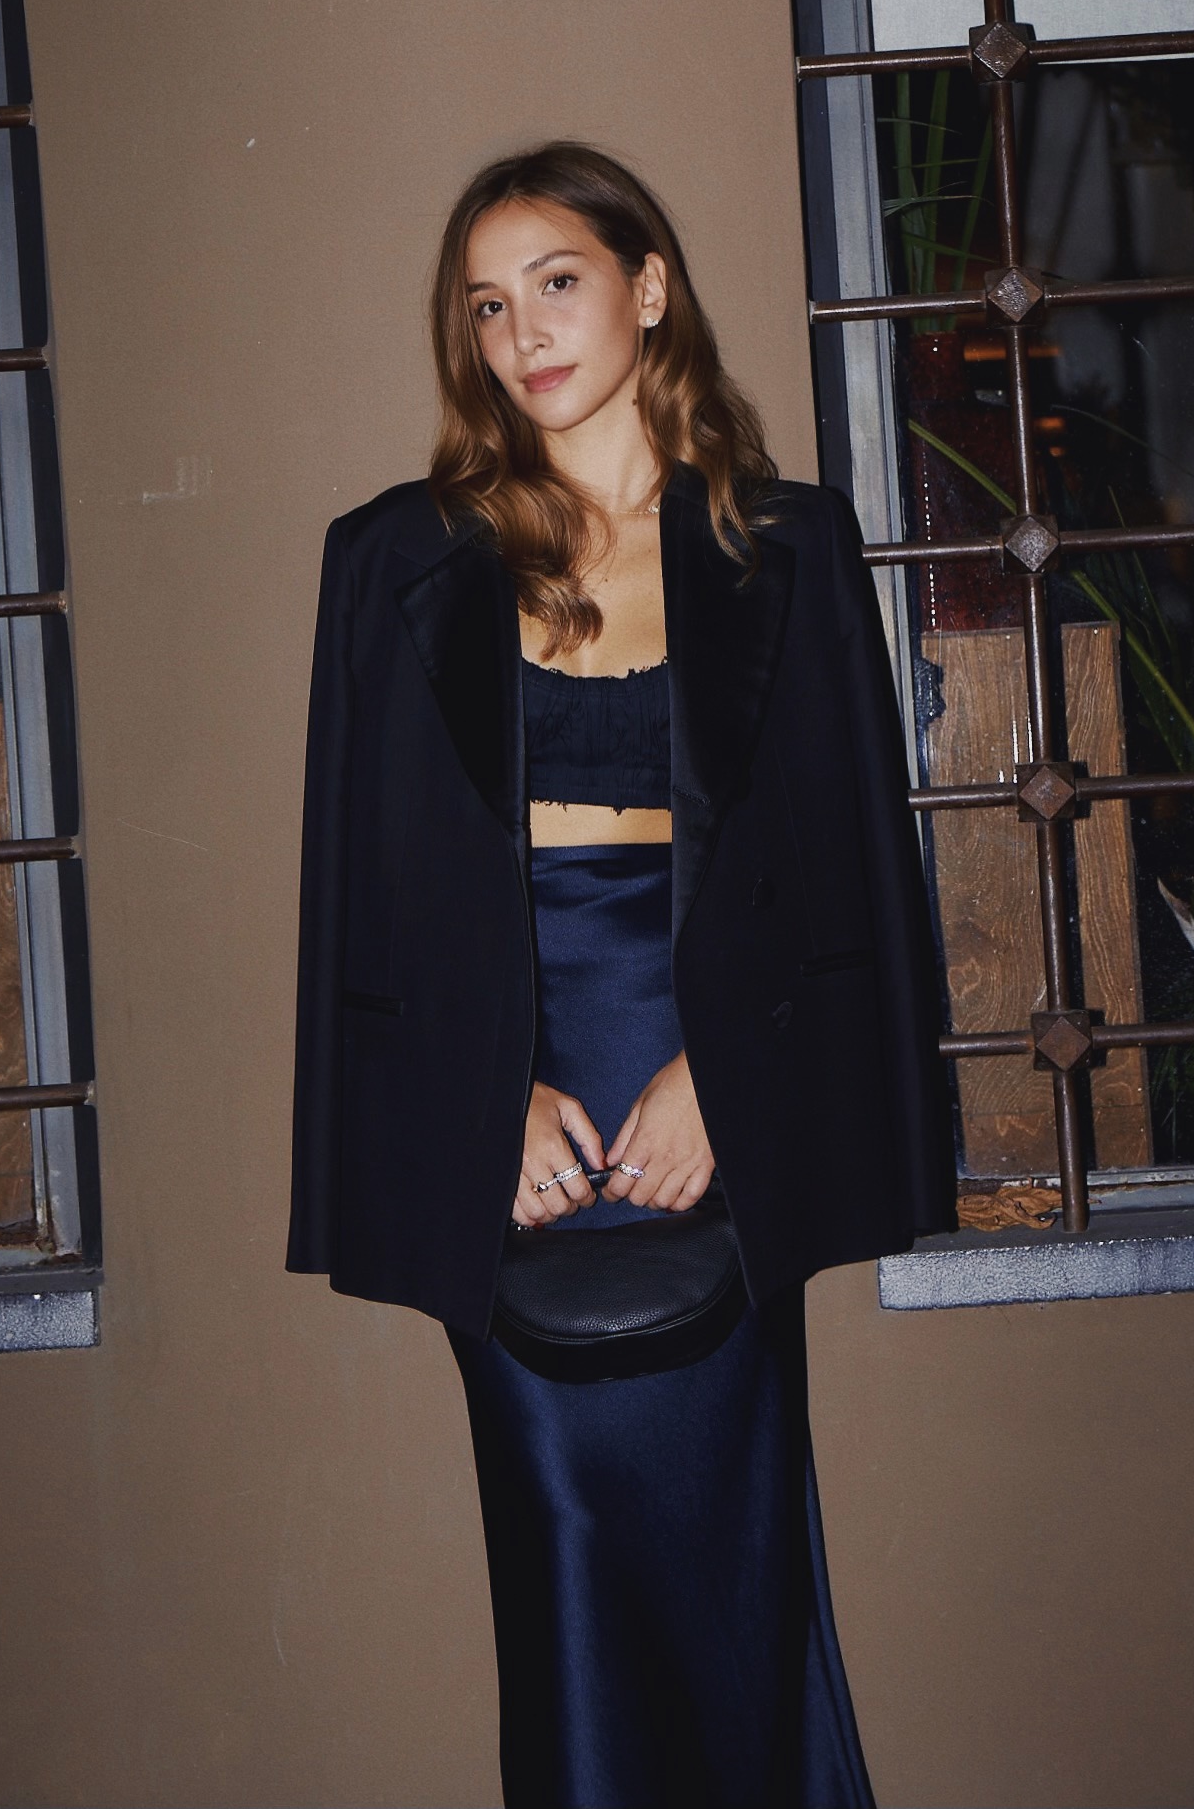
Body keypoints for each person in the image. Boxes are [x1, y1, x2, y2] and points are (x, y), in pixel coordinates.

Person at [288, 144, 953, 1809]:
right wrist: (476, 1115)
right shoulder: (392, 557)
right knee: (566, 1571)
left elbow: (846, 872)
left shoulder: (787, 545)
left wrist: (724, 1080)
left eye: (555, 283)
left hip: (718, 1118)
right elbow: (364, 907)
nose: (519, 334)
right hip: (507, 1143)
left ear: (648, 288)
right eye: (484, 305)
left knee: (736, 1577)